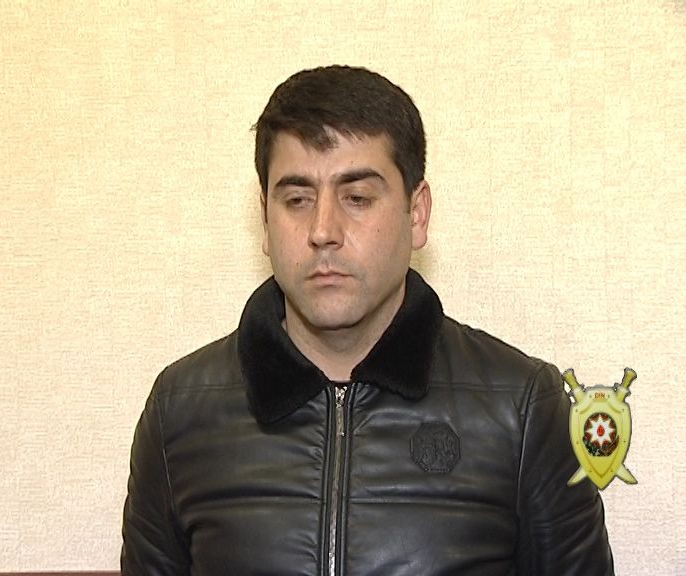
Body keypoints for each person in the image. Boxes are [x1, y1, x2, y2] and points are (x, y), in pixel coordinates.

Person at [121, 65, 613, 575]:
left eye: (356, 198)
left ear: (416, 213)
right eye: (296, 200)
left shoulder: (524, 407)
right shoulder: (179, 412)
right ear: (265, 218)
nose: (323, 230)